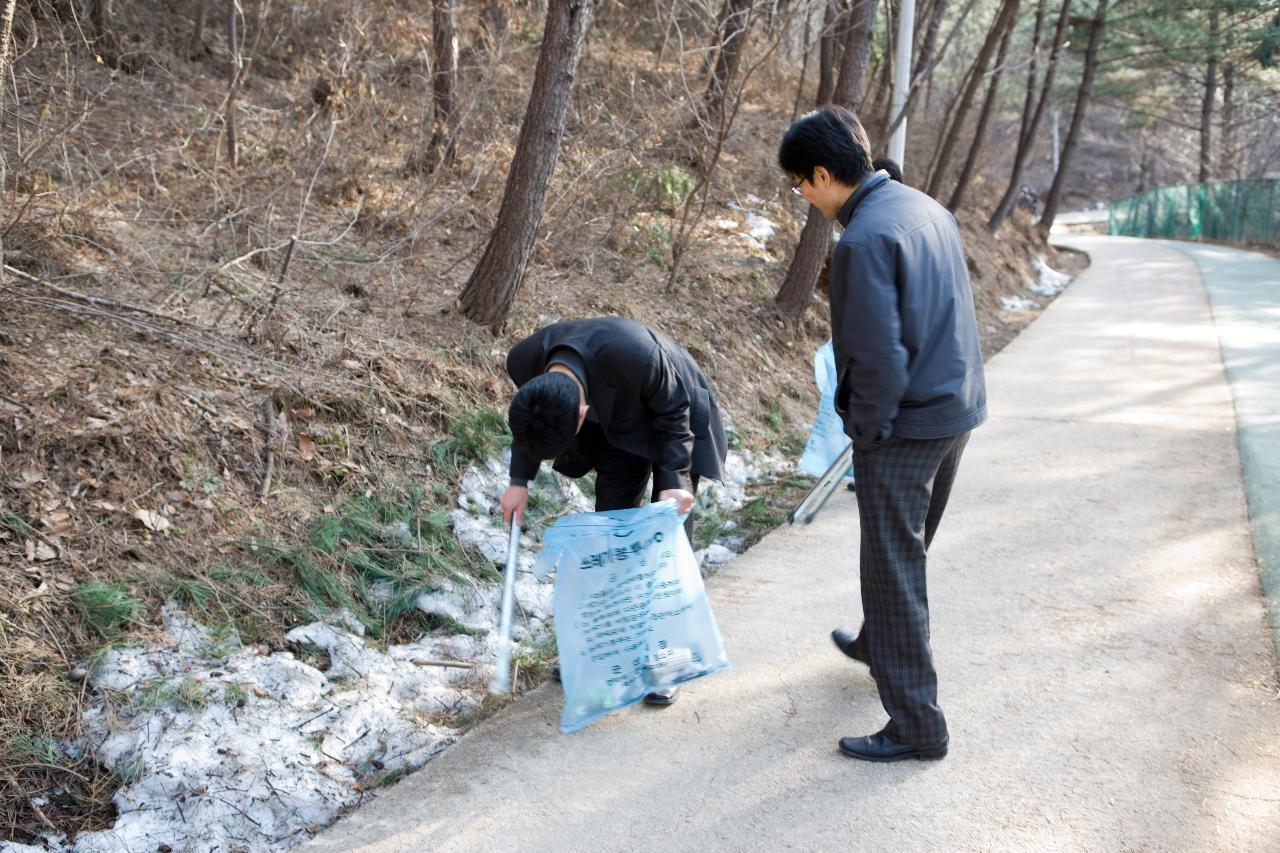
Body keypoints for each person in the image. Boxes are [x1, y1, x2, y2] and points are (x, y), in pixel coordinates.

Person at [777, 106, 987, 762]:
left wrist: (865, 432)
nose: (802, 198)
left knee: (893, 568)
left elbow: (876, 359)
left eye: (799, 185)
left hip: (907, 424)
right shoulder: (923, 206)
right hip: (956, 409)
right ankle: (877, 642)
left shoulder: (863, 241)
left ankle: (918, 724)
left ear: (822, 173)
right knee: (904, 550)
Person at [498, 317, 729, 706]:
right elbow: (533, 418)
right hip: (619, 431)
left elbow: (676, 413)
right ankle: (608, 650)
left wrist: (675, 479)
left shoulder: (634, 353)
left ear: (582, 413)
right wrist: (519, 481)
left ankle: (668, 656)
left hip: (676, 418)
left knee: (667, 539)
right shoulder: (523, 360)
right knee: (611, 534)